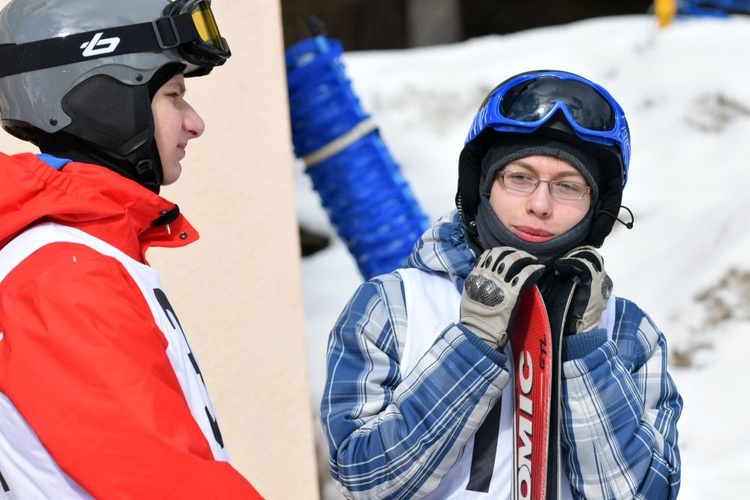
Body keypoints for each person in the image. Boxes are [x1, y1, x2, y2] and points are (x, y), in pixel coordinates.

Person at [320, 70, 682, 499]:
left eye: (568, 186)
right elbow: (367, 482)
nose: (540, 205)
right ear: (484, 186)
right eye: (520, 177)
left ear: (597, 209)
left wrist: (586, 353)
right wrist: (471, 345)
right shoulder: (393, 305)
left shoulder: (626, 331)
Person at [0, 0, 263, 497]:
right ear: (100, 98)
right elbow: (160, 480)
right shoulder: (63, 274)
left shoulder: (80, 254)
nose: (195, 123)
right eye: (173, 95)